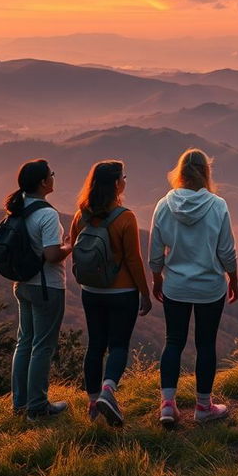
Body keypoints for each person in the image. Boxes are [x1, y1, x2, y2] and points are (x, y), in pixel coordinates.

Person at [149, 148, 238, 427]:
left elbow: (154, 252)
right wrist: (233, 279)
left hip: (176, 286)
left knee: (173, 341)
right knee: (205, 344)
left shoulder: (164, 205)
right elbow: (226, 251)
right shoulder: (218, 205)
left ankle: (167, 405)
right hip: (210, 287)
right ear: (206, 172)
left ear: (180, 172)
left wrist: (157, 278)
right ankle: (203, 406)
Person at [70, 160, 151, 426]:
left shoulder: (80, 215)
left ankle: (93, 403)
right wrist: (145, 292)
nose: (125, 181)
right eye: (123, 177)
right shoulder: (125, 217)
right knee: (118, 345)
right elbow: (134, 260)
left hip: (91, 291)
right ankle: (108, 390)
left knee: (95, 345)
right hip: (122, 292)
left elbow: (74, 249)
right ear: (117, 184)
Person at [8, 159, 72, 418]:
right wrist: (70, 247)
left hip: (22, 285)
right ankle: (37, 407)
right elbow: (52, 254)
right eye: (51, 175)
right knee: (43, 346)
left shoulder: (18, 207)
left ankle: (20, 404)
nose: (53, 178)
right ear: (44, 182)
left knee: (24, 343)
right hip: (47, 287)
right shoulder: (47, 214)